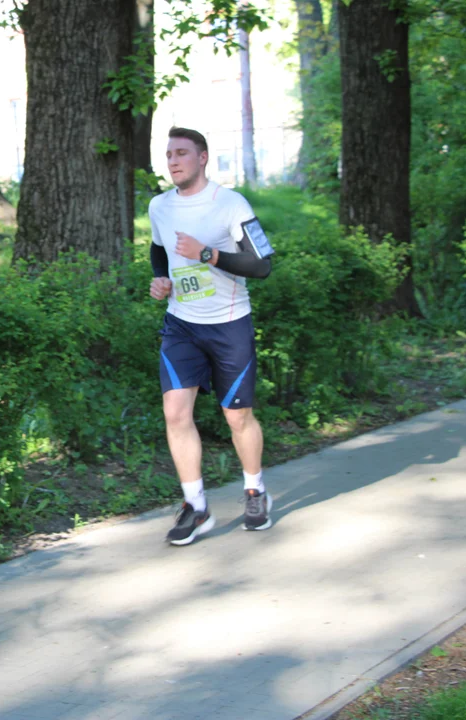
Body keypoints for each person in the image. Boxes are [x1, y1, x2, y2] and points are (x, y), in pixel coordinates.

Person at [148, 127, 275, 546]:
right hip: (181, 324)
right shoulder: (159, 207)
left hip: (229, 323)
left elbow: (263, 265)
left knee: (237, 417)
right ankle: (195, 506)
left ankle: (254, 491)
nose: (173, 161)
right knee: (175, 414)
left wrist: (208, 254)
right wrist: (160, 279)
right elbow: (158, 251)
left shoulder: (230, 203)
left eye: (181, 153)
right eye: (168, 154)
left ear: (203, 158)